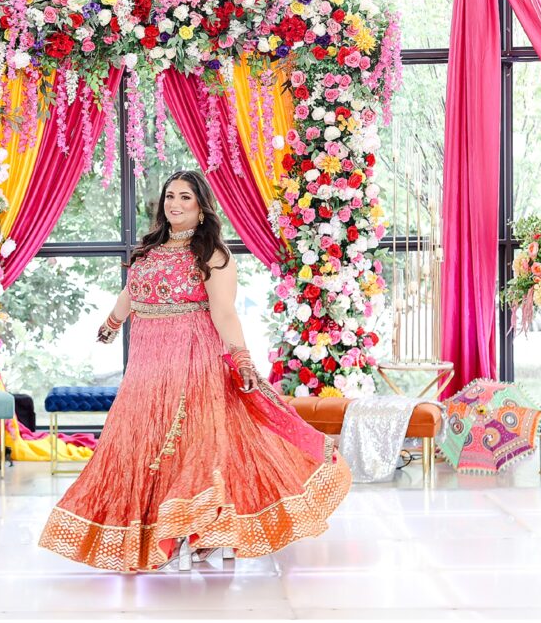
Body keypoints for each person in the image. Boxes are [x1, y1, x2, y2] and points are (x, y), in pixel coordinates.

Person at [39, 170, 351, 572]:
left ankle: (200, 529)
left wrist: (241, 358)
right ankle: (152, 533)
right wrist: (112, 323)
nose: (174, 204)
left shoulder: (213, 256)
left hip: (192, 361)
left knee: (193, 445)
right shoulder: (150, 250)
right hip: (147, 366)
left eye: (185, 197)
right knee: (141, 444)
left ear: (202, 208)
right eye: (170, 196)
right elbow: (131, 292)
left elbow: (224, 313)